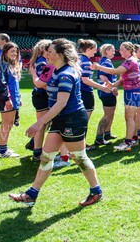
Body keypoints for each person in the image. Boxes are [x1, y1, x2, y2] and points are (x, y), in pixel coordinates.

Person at [9, 38, 103, 207]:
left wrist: (39, 124)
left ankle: (96, 191)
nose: (46, 54)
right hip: (60, 119)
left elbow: (61, 103)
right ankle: (32, 194)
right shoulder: (53, 69)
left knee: (79, 158)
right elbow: (43, 86)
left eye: (50, 51)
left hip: (72, 119)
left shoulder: (67, 74)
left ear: (59, 55)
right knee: (47, 156)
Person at [91, 42, 140, 152]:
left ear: (129, 50)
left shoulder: (130, 61)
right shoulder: (129, 61)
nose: (120, 51)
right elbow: (122, 79)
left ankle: (128, 142)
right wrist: (113, 85)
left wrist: (98, 67)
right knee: (131, 117)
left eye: (122, 49)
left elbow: (116, 71)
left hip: (134, 92)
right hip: (133, 91)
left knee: (129, 117)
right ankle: (134, 139)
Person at [0, 42, 22, 158]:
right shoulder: (1, 64)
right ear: (5, 52)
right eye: (12, 51)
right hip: (5, 99)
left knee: (5, 124)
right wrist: (7, 99)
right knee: (7, 124)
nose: (15, 54)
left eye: (16, 51)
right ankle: (3, 151)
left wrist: (18, 98)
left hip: (11, 99)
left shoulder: (10, 64)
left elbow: (13, 84)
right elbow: (0, 84)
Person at [27, 39, 53, 162]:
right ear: (44, 50)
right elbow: (41, 83)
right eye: (50, 50)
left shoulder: (43, 62)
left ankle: (33, 143)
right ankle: (37, 152)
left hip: (42, 95)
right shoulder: (42, 63)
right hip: (41, 96)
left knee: (46, 122)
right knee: (42, 124)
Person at [91, 44, 119, 147]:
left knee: (110, 113)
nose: (114, 52)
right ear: (106, 51)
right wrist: (112, 88)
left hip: (107, 92)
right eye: (112, 50)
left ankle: (107, 134)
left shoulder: (105, 61)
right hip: (107, 92)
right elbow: (102, 76)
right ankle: (99, 138)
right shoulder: (106, 62)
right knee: (107, 114)